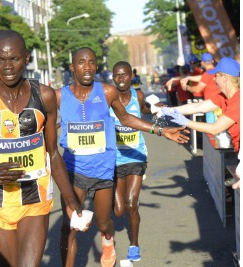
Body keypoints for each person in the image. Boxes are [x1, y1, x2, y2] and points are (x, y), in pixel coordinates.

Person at [0, 29, 84, 267]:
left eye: (14, 59)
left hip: (35, 197)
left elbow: (53, 153)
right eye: (0, 60)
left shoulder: (44, 95)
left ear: (26, 57)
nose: (8, 67)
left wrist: (70, 200)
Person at [55, 47, 190, 267]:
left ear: (97, 66)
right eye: (81, 62)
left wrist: (161, 130)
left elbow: (126, 118)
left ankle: (108, 240)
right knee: (69, 227)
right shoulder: (59, 96)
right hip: (74, 170)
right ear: (72, 67)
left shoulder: (108, 92)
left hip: (103, 170)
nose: (87, 67)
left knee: (104, 223)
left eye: (91, 62)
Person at [162, 57, 240, 188]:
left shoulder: (238, 100)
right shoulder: (224, 97)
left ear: (224, 78)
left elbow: (215, 128)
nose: (214, 79)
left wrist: (185, 122)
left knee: (239, 173)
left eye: (216, 76)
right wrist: (169, 110)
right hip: (240, 151)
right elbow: (198, 107)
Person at [110, 61, 153, 262]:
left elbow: (145, 110)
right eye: (117, 75)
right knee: (118, 211)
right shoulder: (108, 98)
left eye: (124, 75)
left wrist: (157, 109)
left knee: (130, 202)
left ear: (131, 76)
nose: (121, 79)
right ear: (113, 77)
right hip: (114, 157)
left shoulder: (138, 96)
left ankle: (134, 244)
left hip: (136, 155)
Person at [180, 52, 220, 123]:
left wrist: (186, 87)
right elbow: (203, 78)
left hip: (211, 105)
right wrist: (189, 77)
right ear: (212, 61)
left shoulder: (207, 73)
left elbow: (197, 89)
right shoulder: (217, 71)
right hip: (219, 103)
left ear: (202, 62)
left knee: (212, 127)